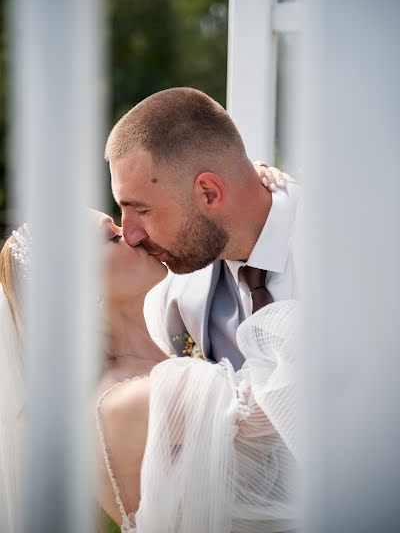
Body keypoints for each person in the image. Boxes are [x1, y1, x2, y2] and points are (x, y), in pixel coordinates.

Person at [0, 209, 298, 532]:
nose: (132, 235)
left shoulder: (160, 348)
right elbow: (285, 400)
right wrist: (282, 218)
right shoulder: (124, 402)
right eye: (112, 236)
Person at [105, 87, 301, 370]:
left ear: (209, 193)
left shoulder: (349, 250)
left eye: (143, 210)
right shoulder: (170, 292)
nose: (130, 235)